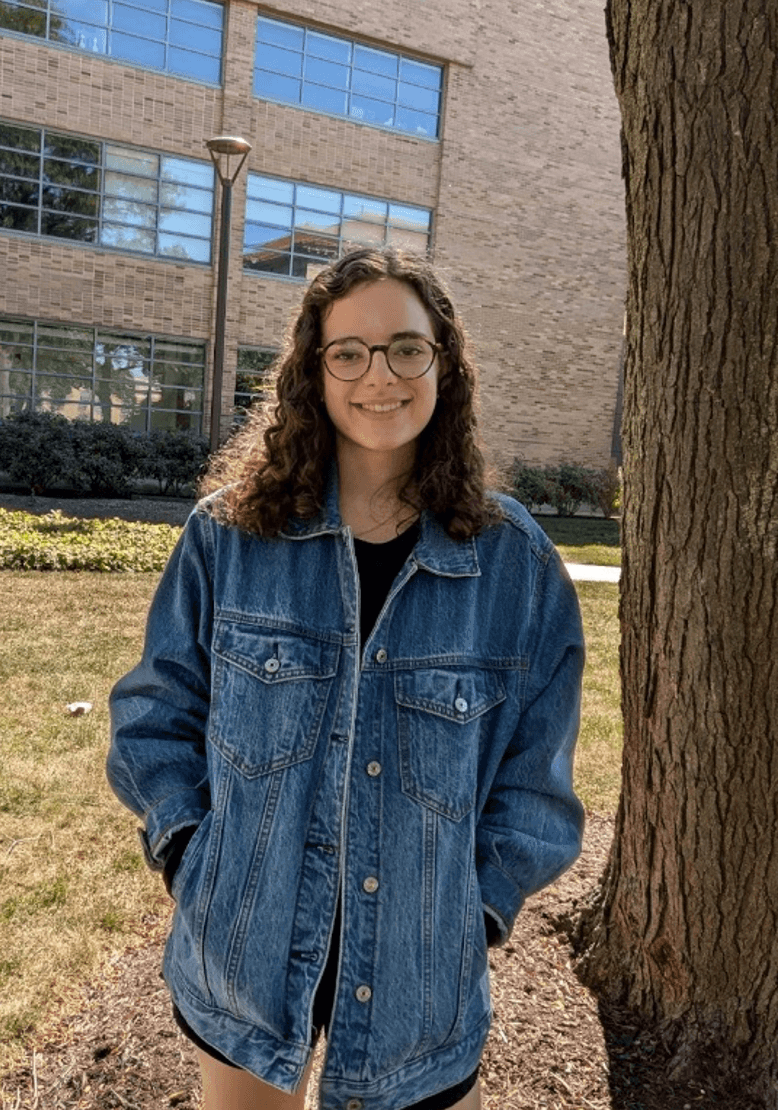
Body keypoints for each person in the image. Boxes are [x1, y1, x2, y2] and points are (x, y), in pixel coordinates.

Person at [107, 246, 585, 1110]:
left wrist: (472, 914)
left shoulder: (513, 563)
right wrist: (190, 855)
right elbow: (154, 716)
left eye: (407, 348)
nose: (380, 376)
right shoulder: (228, 537)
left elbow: (536, 775)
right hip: (243, 952)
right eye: (350, 352)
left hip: (421, 985)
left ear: (443, 365)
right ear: (314, 371)